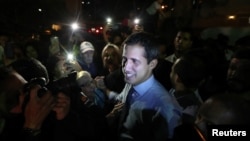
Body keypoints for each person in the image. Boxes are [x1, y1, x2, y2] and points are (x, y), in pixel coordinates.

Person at [106, 32, 182, 141]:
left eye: (135, 61)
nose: (126, 68)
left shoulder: (164, 108)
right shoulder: (131, 83)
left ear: (152, 64)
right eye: (124, 59)